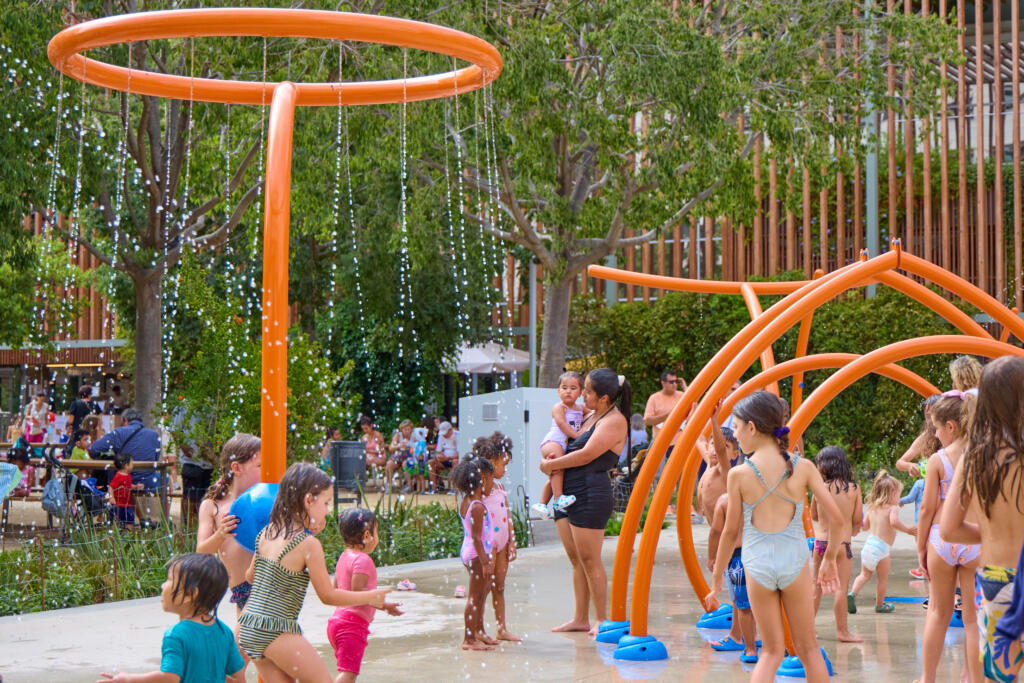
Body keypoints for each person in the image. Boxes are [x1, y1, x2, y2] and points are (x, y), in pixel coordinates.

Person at [704, 390, 843, 682]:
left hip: (758, 565)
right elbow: (837, 519)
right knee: (809, 650)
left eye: (737, 427)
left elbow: (730, 533)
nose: (735, 434)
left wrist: (716, 580)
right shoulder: (802, 467)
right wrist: (830, 559)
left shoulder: (739, 475)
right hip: (793, 562)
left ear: (752, 428)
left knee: (770, 652)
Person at [237, 463, 389, 681]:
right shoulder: (308, 544)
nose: (327, 510)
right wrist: (371, 597)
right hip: (276, 627)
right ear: (308, 500)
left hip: (248, 626)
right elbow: (328, 596)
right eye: (325, 503)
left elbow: (250, 576)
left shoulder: (267, 532)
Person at [940, 356, 1024, 683]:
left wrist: (989, 534)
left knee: (999, 675)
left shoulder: (975, 456)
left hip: (997, 578)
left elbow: (949, 529)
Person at [540, 368, 630, 636]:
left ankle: (601, 618)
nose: (582, 395)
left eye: (587, 391)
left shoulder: (614, 421)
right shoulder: (590, 415)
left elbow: (586, 455)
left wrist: (550, 465)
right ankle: (580, 618)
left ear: (604, 398)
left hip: (590, 493)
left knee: (590, 560)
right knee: (577, 560)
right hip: (567, 493)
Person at [916, 389, 982, 683]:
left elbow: (926, 509)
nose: (935, 434)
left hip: (941, 539)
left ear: (951, 426)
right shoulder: (983, 456)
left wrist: (921, 548)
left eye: (937, 428)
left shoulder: (938, 460)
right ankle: (972, 677)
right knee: (972, 619)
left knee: (937, 613)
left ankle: (927, 678)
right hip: (973, 539)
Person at [97, 553, 245, 683]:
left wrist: (129, 679)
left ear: (190, 594)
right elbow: (238, 677)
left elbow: (169, 678)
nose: (163, 586)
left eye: (169, 580)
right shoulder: (223, 631)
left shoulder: (176, 635)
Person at [329, 508, 404, 682]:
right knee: (348, 674)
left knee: (348, 671)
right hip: (352, 626)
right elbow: (359, 593)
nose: (377, 537)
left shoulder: (343, 557)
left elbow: (337, 589)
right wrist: (384, 604)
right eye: (376, 532)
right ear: (367, 535)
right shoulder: (363, 560)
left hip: (337, 622)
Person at [196, 434, 261, 623]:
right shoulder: (213, 506)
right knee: (245, 638)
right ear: (237, 468)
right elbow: (202, 551)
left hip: (268, 586)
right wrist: (220, 534)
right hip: (243, 589)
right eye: (259, 466)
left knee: (252, 638)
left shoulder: (264, 501)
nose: (266, 472)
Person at [810, 445, 863, 643]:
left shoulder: (819, 488)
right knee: (841, 587)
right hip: (842, 544)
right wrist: (852, 529)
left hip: (821, 543)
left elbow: (814, 515)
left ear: (825, 465)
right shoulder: (854, 489)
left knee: (816, 585)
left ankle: (808, 629)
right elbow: (857, 519)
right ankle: (842, 632)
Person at [848, 470, 915, 614]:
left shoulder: (872, 507)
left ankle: (852, 594)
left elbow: (864, 527)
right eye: (899, 495)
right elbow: (894, 522)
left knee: (864, 575)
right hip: (882, 549)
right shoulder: (893, 508)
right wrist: (908, 530)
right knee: (882, 580)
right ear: (892, 494)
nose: (899, 498)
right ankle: (879, 605)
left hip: (868, 546)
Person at [477, 432, 521, 642]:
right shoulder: (480, 489)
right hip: (488, 544)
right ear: (492, 462)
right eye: (504, 464)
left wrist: (512, 540)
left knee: (499, 586)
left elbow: (507, 515)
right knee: (484, 587)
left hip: (502, 542)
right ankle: (477, 629)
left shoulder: (500, 487)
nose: (505, 469)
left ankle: (501, 628)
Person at [707, 490, 759, 662]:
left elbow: (716, 531)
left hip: (737, 556)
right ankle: (756, 636)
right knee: (762, 600)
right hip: (760, 553)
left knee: (742, 604)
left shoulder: (725, 500)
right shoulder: (761, 495)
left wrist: (712, 557)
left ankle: (748, 648)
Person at [452, 457, 497, 650]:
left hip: (470, 552)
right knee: (475, 596)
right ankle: (469, 639)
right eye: (491, 479)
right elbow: (478, 538)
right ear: (483, 480)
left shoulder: (468, 501)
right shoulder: (477, 506)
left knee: (481, 594)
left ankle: (478, 631)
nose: (493, 484)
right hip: (477, 555)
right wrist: (486, 562)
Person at [90, 408, 164, 521]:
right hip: (149, 481)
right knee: (166, 482)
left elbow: (94, 449)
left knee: (120, 478)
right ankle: (164, 521)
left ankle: (116, 520)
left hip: (124, 481)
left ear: (126, 420)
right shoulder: (154, 435)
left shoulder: (118, 433)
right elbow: (155, 458)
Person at [533, 371, 587, 517]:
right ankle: (558, 498)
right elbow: (562, 424)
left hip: (562, 445)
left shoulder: (580, 408)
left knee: (555, 474)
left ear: (580, 393)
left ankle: (542, 504)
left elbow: (593, 413)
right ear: (558, 391)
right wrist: (577, 436)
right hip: (553, 442)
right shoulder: (559, 407)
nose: (568, 391)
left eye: (573, 388)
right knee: (558, 468)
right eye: (564, 388)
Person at [171, 405, 214, 527]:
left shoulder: (215, 403)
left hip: (210, 461)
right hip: (191, 461)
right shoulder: (184, 406)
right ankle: (188, 528)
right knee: (190, 498)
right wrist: (183, 447)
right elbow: (174, 429)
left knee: (207, 498)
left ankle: (203, 527)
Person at [895, 395, 942, 478]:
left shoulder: (949, 432)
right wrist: (912, 466)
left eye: (930, 416)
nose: (929, 421)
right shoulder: (926, 436)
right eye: (927, 416)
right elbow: (899, 463)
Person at [643, 370, 686, 443]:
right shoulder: (654, 398)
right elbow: (647, 421)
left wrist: (685, 388)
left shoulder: (682, 395)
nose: (674, 384)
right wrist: (666, 416)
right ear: (663, 383)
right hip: (661, 442)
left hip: (680, 442)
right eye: (671, 382)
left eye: (676, 381)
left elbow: (696, 408)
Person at [109, 451, 144, 529]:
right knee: (115, 522)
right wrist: (112, 497)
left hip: (127, 505)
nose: (133, 464)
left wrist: (136, 486)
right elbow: (111, 487)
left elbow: (127, 485)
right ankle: (114, 534)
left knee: (130, 520)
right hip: (117, 505)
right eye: (131, 463)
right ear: (126, 465)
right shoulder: (118, 476)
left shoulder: (128, 475)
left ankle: (128, 534)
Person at [429, 420, 458, 492]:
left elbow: (459, 453)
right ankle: (434, 488)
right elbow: (438, 451)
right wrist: (438, 456)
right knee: (431, 462)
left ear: (450, 430)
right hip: (444, 460)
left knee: (455, 462)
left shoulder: (457, 436)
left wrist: (448, 458)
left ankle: (454, 488)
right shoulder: (441, 437)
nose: (444, 435)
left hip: (454, 459)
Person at [386, 419, 414, 493]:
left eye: (408, 429)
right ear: (401, 429)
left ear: (411, 430)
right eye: (405, 429)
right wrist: (399, 446)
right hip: (398, 457)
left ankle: (409, 486)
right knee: (389, 464)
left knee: (406, 464)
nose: (407, 431)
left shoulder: (414, 437)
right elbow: (391, 448)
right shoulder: (398, 436)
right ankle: (388, 485)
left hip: (409, 457)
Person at [406, 427, 429, 494]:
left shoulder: (422, 443)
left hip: (420, 461)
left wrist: (419, 460)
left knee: (421, 476)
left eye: (415, 435)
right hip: (415, 461)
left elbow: (421, 452)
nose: (413, 437)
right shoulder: (416, 443)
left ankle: (423, 489)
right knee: (417, 476)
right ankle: (418, 489)